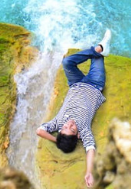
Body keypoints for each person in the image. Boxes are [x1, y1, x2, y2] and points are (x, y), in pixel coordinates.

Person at [36, 29, 112, 188]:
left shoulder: (57, 123)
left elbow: (39, 131)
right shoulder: (84, 130)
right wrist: (89, 172)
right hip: (95, 84)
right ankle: (99, 50)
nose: (69, 123)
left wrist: (56, 140)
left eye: (65, 127)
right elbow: (90, 149)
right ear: (77, 135)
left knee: (67, 62)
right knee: (97, 58)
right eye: (71, 128)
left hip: (75, 82)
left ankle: (98, 48)